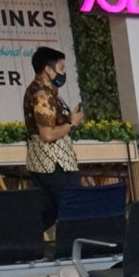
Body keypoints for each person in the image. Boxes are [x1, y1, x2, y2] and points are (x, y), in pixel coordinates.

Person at [24, 46, 85, 229]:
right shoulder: (43, 94)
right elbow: (47, 134)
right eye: (61, 68)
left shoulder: (42, 91)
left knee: (47, 212)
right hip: (55, 164)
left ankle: (20, 245)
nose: (63, 73)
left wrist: (67, 118)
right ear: (48, 70)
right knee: (76, 209)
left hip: (42, 163)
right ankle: (77, 248)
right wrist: (72, 123)